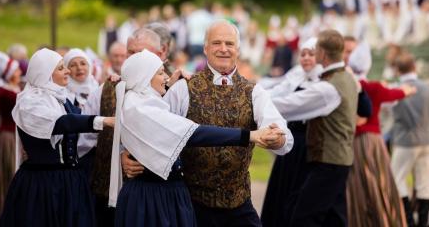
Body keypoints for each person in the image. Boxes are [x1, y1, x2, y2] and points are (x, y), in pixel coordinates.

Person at [109, 49, 284, 226]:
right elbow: (195, 133)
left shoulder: (141, 102)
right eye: (161, 73)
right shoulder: (141, 109)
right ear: (143, 78)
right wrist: (250, 135)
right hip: (152, 198)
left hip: (165, 194)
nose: (166, 77)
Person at [164, 20, 294, 226]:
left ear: (238, 50)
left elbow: (282, 134)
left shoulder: (254, 91)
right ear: (205, 48)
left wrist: (277, 139)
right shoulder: (183, 88)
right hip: (192, 204)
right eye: (217, 43)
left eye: (229, 44)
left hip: (238, 205)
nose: (223, 49)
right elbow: (159, 131)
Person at [0, 48, 115, 227]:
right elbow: (61, 123)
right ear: (44, 74)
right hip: (42, 185)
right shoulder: (30, 102)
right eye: (61, 68)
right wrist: (102, 121)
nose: (68, 71)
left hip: (70, 182)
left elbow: (82, 114)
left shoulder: (62, 99)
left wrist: (111, 86)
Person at [89, 27, 180, 226]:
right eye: (129, 52)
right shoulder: (108, 87)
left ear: (161, 52)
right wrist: (122, 152)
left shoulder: (180, 86)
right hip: (109, 189)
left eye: (138, 53)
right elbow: (87, 137)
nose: (129, 58)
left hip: (161, 194)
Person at [276, 29, 358, 227]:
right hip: (340, 160)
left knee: (303, 218)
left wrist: (251, 101)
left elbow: (289, 105)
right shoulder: (345, 77)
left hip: (328, 162)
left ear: (321, 53)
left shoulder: (328, 87)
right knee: (334, 218)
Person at [345, 42, 414, 227]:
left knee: (357, 185)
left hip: (352, 141)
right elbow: (397, 93)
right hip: (372, 141)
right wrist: (408, 89)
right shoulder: (374, 87)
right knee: (379, 182)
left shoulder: (348, 85)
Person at [261, 37, 322, 226]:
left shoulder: (323, 80)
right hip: (291, 141)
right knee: (282, 190)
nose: (306, 58)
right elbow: (278, 89)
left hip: (310, 143)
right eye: (303, 54)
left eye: (311, 54)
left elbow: (292, 104)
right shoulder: (296, 74)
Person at [390, 53, 429, 227]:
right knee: (424, 183)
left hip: (405, 141)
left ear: (397, 70)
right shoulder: (427, 87)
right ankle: (422, 222)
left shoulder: (395, 88)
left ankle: (408, 220)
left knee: (396, 180)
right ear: (414, 67)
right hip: (426, 140)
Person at [0, 50, 21, 223]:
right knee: (9, 174)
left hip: (13, 134)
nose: (20, 73)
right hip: (8, 136)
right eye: (16, 71)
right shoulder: (6, 92)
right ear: (9, 74)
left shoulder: (13, 89)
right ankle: (5, 213)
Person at [63, 48, 100, 178]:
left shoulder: (97, 90)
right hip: (74, 156)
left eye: (83, 63)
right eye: (73, 65)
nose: (79, 68)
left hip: (98, 152)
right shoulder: (64, 95)